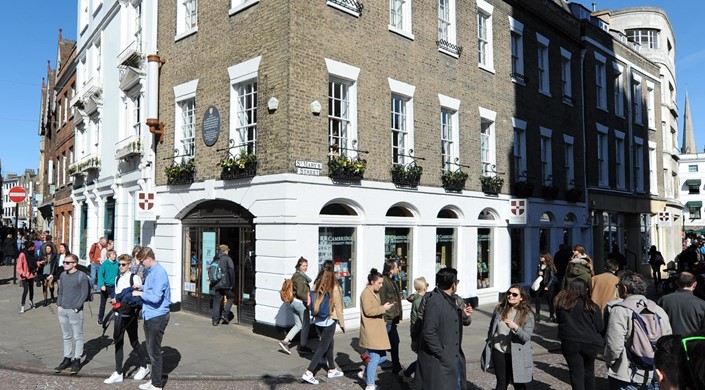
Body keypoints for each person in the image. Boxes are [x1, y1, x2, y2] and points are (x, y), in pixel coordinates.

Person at [604, 271, 672, 389]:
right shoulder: (658, 310)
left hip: (628, 375)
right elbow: (668, 342)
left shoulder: (620, 310)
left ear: (624, 289)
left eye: (618, 286)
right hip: (655, 374)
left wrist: (611, 363)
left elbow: (614, 345)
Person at [417, 267, 472, 390]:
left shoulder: (449, 299)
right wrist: (443, 354)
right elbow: (429, 332)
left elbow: (448, 317)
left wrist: (463, 314)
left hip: (452, 357)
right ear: (453, 285)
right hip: (441, 362)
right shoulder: (435, 301)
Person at [104, 254, 150, 384]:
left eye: (123, 264)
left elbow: (138, 297)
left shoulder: (134, 278)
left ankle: (144, 366)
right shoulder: (117, 278)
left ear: (129, 265)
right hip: (119, 313)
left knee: (134, 341)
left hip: (130, 315)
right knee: (118, 341)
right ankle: (118, 372)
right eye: (119, 264)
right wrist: (115, 300)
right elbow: (118, 295)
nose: (120, 267)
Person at [131, 246, 171, 390]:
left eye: (142, 261)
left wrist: (139, 294)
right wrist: (141, 289)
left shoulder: (159, 273)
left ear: (149, 259)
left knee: (154, 352)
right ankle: (154, 380)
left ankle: (157, 384)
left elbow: (155, 298)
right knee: (150, 350)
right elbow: (151, 291)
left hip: (157, 316)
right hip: (150, 314)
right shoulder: (151, 271)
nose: (141, 264)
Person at [555, 278, 604, 390]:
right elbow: (599, 326)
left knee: (575, 372)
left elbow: (559, 321)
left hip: (569, 341)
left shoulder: (561, 304)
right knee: (589, 371)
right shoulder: (590, 305)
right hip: (589, 341)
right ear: (585, 290)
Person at [300, 267, 346, 385]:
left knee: (330, 344)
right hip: (329, 321)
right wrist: (342, 323)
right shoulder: (335, 288)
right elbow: (339, 307)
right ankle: (309, 372)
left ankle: (332, 369)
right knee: (323, 347)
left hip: (318, 320)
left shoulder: (316, 285)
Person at [485, 285, 534, 390]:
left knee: (518, 384)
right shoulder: (499, 309)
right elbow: (491, 326)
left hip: (517, 353)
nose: (510, 296)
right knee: (501, 382)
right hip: (499, 350)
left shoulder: (527, 314)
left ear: (521, 298)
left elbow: (526, 337)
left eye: (514, 294)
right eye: (509, 293)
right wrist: (491, 340)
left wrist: (515, 327)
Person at [358, 268, 396, 390]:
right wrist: (383, 308)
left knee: (383, 357)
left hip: (377, 330)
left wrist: (385, 307)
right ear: (372, 282)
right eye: (379, 283)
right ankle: (370, 385)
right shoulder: (366, 293)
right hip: (371, 331)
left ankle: (366, 372)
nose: (380, 285)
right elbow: (368, 311)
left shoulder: (374, 292)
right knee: (374, 358)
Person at [54, 254, 91, 375]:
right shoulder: (63, 275)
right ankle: (67, 358)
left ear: (75, 264)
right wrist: (59, 304)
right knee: (66, 336)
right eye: (64, 262)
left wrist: (77, 307)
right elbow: (61, 291)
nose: (65, 264)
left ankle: (77, 359)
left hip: (75, 311)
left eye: (67, 262)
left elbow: (84, 293)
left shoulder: (81, 276)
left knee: (78, 336)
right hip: (63, 310)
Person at [279, 257, 313, 354]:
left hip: (293, 302)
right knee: (306, 325)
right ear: (299, 266)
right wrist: (309, 302)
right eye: (303, 266)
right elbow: (301, 293)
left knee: (298, 325)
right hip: (300, 303)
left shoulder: (295, 275)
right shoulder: (301, 278)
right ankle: (303, 347)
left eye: (306, 265)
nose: (305, 267)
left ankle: (285, 341)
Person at [657, 272, 705, 337]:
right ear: (694, 284)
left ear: (676, 283)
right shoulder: (701, 304)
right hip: (693, 344)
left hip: (670, 343)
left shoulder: (663, 300)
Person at [402, 276, 429, 382]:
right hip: (420, 334)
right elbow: (415, 321)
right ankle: (408, 374)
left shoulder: (420, 299)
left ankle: (408, 373)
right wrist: (414, 339)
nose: (427, 286)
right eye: (426, 284)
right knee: (423, 359)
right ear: (423, 287)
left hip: (420, 334)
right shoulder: (419, 301)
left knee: (423, 359)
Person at [379, 258, 403, 375]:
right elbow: (382, 300)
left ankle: (396, 366)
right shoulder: (384, 281)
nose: (398, 268)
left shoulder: (392, 280)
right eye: (396, 267)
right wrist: (383, 318)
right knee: (381, 346)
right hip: (387, 318)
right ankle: (368, 359)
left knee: (395, 342)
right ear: (391, 269)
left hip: (393, 318)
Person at [210, 244, 236, 326]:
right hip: (225, 284)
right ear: (225, 250)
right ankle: (225, 314)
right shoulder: (227, 259)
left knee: (217, 301)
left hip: (216, 284)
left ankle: (215, 320)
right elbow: (231, 271)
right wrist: (232, 283)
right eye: (227, 250)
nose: (228, 251)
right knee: (231, 297)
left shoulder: (215, 259)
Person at [97, 249, 119, 326]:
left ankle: (117, 317)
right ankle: (100, 318)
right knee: (103, 304)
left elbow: (119, 275)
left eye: (115, 254)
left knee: (115, 302)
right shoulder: (105, 264)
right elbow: (100, 275)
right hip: (105, 287)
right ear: (109, 255)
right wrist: (102, 285)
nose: (115, 256)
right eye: (113, 255)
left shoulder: (117, 264)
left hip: (114, 287)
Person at [16, 241, 38, 313]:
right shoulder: (22, 254)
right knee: (26, 290)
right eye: (33, 246)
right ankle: (22, 306)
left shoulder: (32, 253)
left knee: (31, 289)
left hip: (31, 274)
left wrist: (39, 263)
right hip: (24, 275)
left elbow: (33, 263)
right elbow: (18, 267)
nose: (34, 247)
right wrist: (22, 273)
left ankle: (31, 301)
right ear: (30, 247)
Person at [535, 252, 557, 322]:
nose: (540, 258)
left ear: (546, 258)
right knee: (537, 299)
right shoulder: (539, 265)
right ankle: (537, 315)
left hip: (549, 286)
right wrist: (539, 273)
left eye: (542, 257)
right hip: (540, 285)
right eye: (540, 257)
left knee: (550, 302)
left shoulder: (550, 266)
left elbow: (552, 277)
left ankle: (551, 316)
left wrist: (547, 286)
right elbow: (538, 275)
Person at [40, 242, 60, 306]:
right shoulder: (42, 255)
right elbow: (38, 263)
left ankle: (52, 294)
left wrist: (52, 273)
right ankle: (45, 300)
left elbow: (55, 265)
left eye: (49, 248)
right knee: (44, 285)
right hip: (44, 272)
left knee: (50, 285)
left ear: (51, 249)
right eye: (46, 248)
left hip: (51, 272)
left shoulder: (54, 256)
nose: (47, 249)